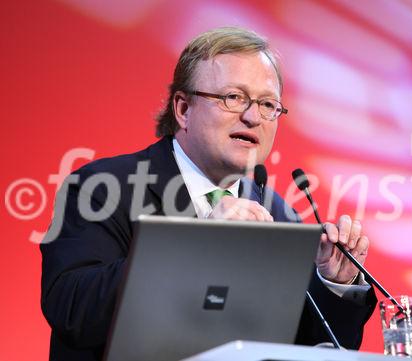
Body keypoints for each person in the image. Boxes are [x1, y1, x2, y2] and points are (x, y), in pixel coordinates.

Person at [40, 27, 376, 361]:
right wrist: (199, 243)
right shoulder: (101, 188)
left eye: (267, 104)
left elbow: (306, 346)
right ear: (184, 109)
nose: (252, 116)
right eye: (234, 98)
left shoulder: (277, 211)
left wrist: (334, 282)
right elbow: (72, 311)